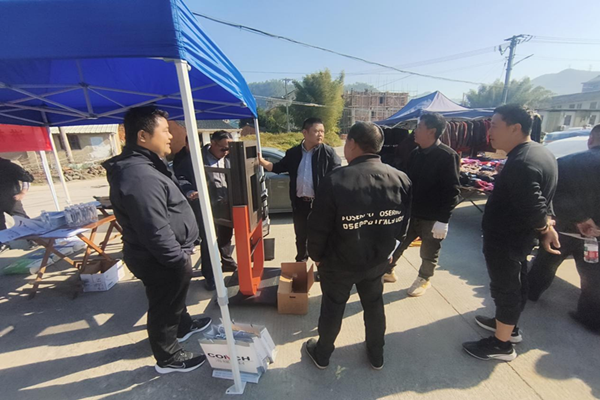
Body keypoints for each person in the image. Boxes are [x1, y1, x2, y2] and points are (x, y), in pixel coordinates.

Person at [103, 107, 211, 374]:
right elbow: (153, 228)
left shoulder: (148, 165)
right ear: (143, 135)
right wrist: (177, 259)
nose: (170, 136)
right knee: (164, 306)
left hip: (164, 254)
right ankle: (168, 356)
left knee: (174, 299)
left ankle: (183, 326)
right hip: (159, 257)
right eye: (165, 131)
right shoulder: (138, 174)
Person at [304, 122, 412, 370]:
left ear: (351, 143)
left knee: (333, 308)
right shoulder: (401, 178)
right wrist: (391, 254)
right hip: (377, 261)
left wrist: (316, 256)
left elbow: (318, 227)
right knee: (374, 306)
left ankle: (322, 354)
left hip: (339, 262)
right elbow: (404, 225)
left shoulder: (335, 180)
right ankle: (376, 354)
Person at [462, 105, 559, 361]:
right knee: (516, 282)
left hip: (507, 238)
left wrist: (545, 228)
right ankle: (506, 325)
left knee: (506, 288)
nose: (489, 132)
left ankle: (501, 344)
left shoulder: (523, 162)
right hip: (517, 238)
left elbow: (534, 204)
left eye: (494, 125)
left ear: (515, 128)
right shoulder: (539, 152)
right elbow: (544, 197)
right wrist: (547, 225)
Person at [528, 124, 600, 332]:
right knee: (593, 276)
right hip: (595, 238)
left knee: (545, 263)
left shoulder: (567, 162)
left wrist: (580, 218)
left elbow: (550, 195)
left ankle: (530, 293)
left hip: (564, 230)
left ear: (590, 139)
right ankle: (590, 318)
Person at [383, 113, 460, 297]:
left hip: (432, 216)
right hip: (411, 212)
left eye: (418, 127)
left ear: (431, 131)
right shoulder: (416, 153)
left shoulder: (447, 156)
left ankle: (424, 278)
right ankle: (388, 270)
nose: (414, 131)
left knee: (429, 251)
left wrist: (443, 220)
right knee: (398, 243)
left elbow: (452, 191)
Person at [259, 117, 341, 262]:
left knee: (322, 235)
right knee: (301, 236)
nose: (320, 134)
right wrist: (261, 161)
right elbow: (277, 167)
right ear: (305, 132)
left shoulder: (328, 153)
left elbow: (337, 175)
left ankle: (323, 265)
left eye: (322, 131)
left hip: (320, 204)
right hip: (300, 203)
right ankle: (301, 263)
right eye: (316, 131)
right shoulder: (293, 153)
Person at [173, 131, 236, 292]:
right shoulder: (195, 159)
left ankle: (226, 261)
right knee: (209, 241)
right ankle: (210, 276)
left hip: (226, 204)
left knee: (225, 236)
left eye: (228, 149)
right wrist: (190, 191)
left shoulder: (230, 157)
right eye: (223, 148)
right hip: (206, 206)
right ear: (213, 143)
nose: (226, 152)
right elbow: (181, 177)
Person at [0, 158, 34, 252]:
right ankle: (3, 243)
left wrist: (23, 192)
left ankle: (34, 239)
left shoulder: (9, 166)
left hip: (11, 199)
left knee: (21, 219)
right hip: (6, 198)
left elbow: (26, 178)